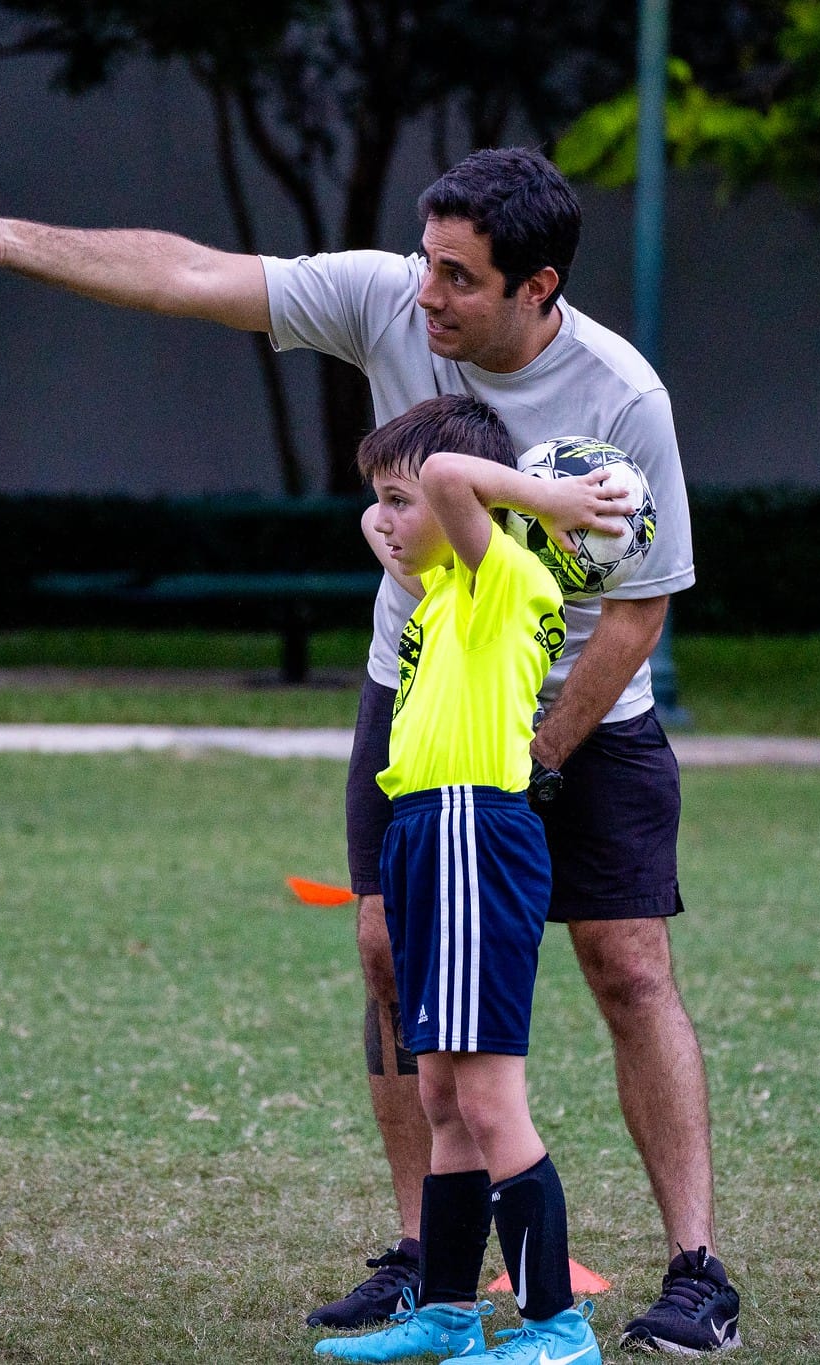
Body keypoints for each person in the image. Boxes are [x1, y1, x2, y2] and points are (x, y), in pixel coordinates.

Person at [0, 146, 741, 1355]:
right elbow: (189, 275)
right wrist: (10, 240)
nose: (425, 293)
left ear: (536, 286)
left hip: (578, 709)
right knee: (388, 955)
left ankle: (695, 1273)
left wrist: (533, 756)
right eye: (425, 261)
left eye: (458, 277)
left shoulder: (620, 397)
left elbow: (638, 616)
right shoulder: (387, 294)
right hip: (419, 693)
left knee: (627, 967)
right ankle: (425, 1266)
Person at [316, 393, 614, 1365]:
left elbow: (447, 476)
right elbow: (405, 506)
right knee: (440, 1094)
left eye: (401, 501)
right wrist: (393, 504)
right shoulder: (439, 589)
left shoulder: (507, 578)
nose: (385, 520)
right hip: (422, 834)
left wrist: (550, 500)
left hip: (471, 831)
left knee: (488, 1102)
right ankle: (446, 1310)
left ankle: (557, 1331)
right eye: (381, 501)